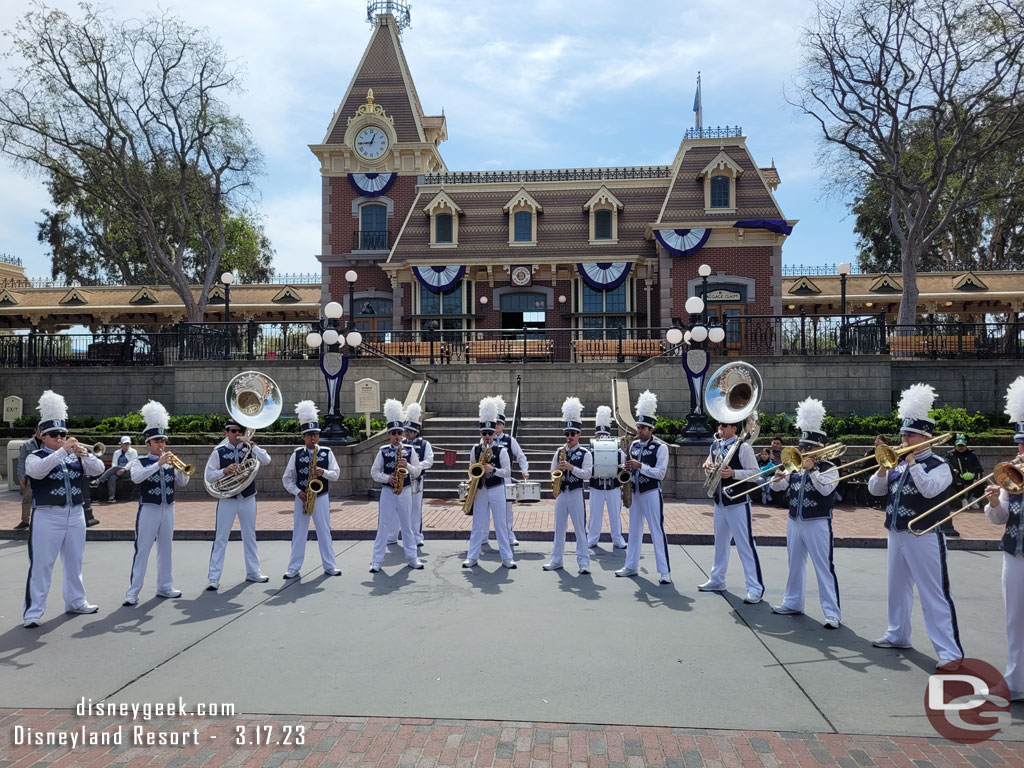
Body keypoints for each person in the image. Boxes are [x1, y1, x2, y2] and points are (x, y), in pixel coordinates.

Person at [867, 383, 964, 669]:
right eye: (903, 434)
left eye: (909, 434)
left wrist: (912, 463)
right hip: (896, 532)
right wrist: (883, 467)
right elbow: (875, 490)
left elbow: (931, 490)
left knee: (934, 593)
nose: (904, 438)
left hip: (925, 535)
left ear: (925, 437)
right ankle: (897, 633)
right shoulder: (895, 462)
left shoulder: (938, 464)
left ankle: (950, 654)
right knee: (896, 588)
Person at [23, 390, 104, 627]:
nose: (60, 437)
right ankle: (33, 612)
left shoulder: (74, 456)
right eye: (55, 435)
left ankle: (76, 601)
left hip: (75, 513)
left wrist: (85, 454)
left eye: (63, 434)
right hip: (47, 516)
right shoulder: (34, 456)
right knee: (41, 566)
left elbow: (98, 469)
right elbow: (37, 471)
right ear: (44, 437)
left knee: (74, 562)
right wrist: (63, 451)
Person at [770, 398, 842, 628]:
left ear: (820, 448)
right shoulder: (796, 467)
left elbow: (825, 489)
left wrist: (811, 471)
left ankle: (832, 612)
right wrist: (777, 477)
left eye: (807, 448)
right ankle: (792, 602)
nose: (803, 451)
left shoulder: (831, 468)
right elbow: (777, 488)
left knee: (823, 566)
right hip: (795, 520)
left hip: (817, 521)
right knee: (794, 563)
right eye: (802, 447)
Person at [981, 376, 1024, 701]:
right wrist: (995, 502)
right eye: (1019, 444)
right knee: (1014, 622)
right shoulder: (1012, 474)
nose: (1020, 451)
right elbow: (999, 519)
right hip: (1014, 555)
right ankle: (1014, 681)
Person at [124, 401, 188, 606]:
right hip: (149, 510)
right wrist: (157, 464)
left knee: (166, 548)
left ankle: (165, 586)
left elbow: (183, 481)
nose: (161, 444)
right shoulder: (139, 461)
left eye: (163, 440)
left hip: (168, 508)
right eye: (157, 441)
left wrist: (178, 468)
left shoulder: (170, 460)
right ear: (148, 444)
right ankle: (133, 591)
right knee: (142, 549)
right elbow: (136, 478)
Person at [699, 414, 765, 603]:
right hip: (720, 501)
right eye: (719, 424)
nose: (720, 427)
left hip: (738, 502)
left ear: (734, 428)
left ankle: (755, 587)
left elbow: (755, 474)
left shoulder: (743, 447)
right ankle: (717, 579)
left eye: (724, 425)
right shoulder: (715, 446)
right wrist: (708, 466)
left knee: (745, 545)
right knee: (720, 544)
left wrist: (734, 473)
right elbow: (711, 467)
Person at [205, 417, 272, 590]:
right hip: (227, 499)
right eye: (233, 431)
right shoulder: (218, 452)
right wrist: (224, 471)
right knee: (221, 538)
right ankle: (214, 577)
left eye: (240, 431)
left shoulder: (250, 449)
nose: (237, 434)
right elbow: (209, 476)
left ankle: (253, 572)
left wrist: (252, 443)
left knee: (249, 536)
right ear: (226, 433)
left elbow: (266, 460)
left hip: (248, 497)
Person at [616, 391, 672, 585]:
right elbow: (630, 468)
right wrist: (626, 472)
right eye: (638, 427)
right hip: (635, 492)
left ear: (651, 429)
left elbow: (660, 473)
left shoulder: (660, 447)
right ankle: (630, 566)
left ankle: (664, 571)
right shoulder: (634, 446)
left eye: (642, 428)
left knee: (657, 530)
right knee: (634, 530)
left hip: (651, 492)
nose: (638, 430)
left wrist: (641, 467)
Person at [282, 401, 341, 578]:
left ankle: (330, 565)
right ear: (303, 437)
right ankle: (294, 567)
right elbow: (287, 478)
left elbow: (336, 474)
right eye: (309, 435)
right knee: (299, 532)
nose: (313, 438)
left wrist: (323, 472)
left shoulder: (327, 452)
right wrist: (297, 492)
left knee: (324, 530)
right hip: (302, 497)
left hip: (321, 497)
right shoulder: (297, 454)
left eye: (315, 434)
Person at [369, 399, 423, 572]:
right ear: (389, 435)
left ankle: (412, 557)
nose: (397, 436)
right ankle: (377, 560)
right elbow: (374, 472)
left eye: (399, 433)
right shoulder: (383, 451)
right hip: (388, 491)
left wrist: (406, 465)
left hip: (405, 491)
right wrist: (387, 478)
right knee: (383, 525)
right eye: (393, 433)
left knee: (407, 526)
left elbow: (417, 471)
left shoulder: (410, 450)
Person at [462, 397, 516, 569]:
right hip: (480, 489)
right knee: (478, 524)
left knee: (500, 525)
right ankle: (472, 557)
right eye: (483, 433)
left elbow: (507, 472)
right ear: (481, 434)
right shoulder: (475, 449)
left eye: (489, 433)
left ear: (494, 434)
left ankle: (507, 558)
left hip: (497, 488)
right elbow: (472, 467)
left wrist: (493, 469)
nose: (486, 437)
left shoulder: (502, 450)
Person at [542, 397, 593, 574]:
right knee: (559, 528)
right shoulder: (559, 451)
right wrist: (557, 473)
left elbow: (588, 474)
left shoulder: (585, 453)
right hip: (562, 492)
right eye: (567, 434)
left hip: (577, 491)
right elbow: (551, 472)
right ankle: (556, 559)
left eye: (572, 434)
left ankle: (584, 562)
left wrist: (571, 468)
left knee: (580, 528)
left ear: (579, 434)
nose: (569, 437)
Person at [386, 403, 433, 548]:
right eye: (406, 431)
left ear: (416, 432)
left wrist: (416, 467)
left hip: (417, 479)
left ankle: (417, 536)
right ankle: (392, 535)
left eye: (410, 431)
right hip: (403, 479)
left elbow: (429, 460)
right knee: (396, 507)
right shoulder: (401, 443)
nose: (406, 434)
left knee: (415, 508)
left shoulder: (424, 444)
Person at [586, 405, 627, 549]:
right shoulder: (590, 450)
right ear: (595, 436)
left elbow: (624, 465)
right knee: (595, 514)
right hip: (596, 486)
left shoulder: (617, 450)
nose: (602, 437)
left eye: (604, 435)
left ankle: (617, 538)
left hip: (613, 486)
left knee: (615, 514)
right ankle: (592, 538)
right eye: (599, 435)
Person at [493, 397, 529, 546]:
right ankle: (482, 536)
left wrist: (524, 470)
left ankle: (509, 535)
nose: (496, 426)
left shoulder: (509, 440)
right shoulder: (486, 439)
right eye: (495, 423)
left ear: (504, 425)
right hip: (488, 478)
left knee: (508, 509)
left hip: (505, 477)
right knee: (485, 508)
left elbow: (520, 455)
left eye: (499, 423)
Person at [945, 434, 983, 534]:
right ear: (955, 446)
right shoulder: (950, 454)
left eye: (962, 445)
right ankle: (963, 499)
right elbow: (946, 465)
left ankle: (973, 499)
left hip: (970, 477)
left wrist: (976, 477)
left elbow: (978, 468)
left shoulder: (972, 454)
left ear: (966, 445)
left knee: (982, 484)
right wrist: (953, 470)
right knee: (958, 483)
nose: (960, 447)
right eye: (959, 445)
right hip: (957, 477)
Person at [92, 436, 138, 503]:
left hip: (128, 471)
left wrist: (124, 469)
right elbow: (114, 463)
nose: (126, 445)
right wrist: (116, 471)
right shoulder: (117, 452)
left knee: (114, 469)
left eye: (128, 443)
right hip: (117, 472)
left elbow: (132, 462)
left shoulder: (133, 452)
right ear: (121, 444)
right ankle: (111, 498)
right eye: (125, 443)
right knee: (112, 477)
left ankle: (98, 481)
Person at [15, 426, 42, 531]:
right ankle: (25, 520)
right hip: (30, 476)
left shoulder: (48, 442)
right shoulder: (27, 444)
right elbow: (21, 460)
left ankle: (40, 521)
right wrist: (21, 475)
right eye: (40, 430)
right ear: (35, 430)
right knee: (27, 498)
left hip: (44, 475)